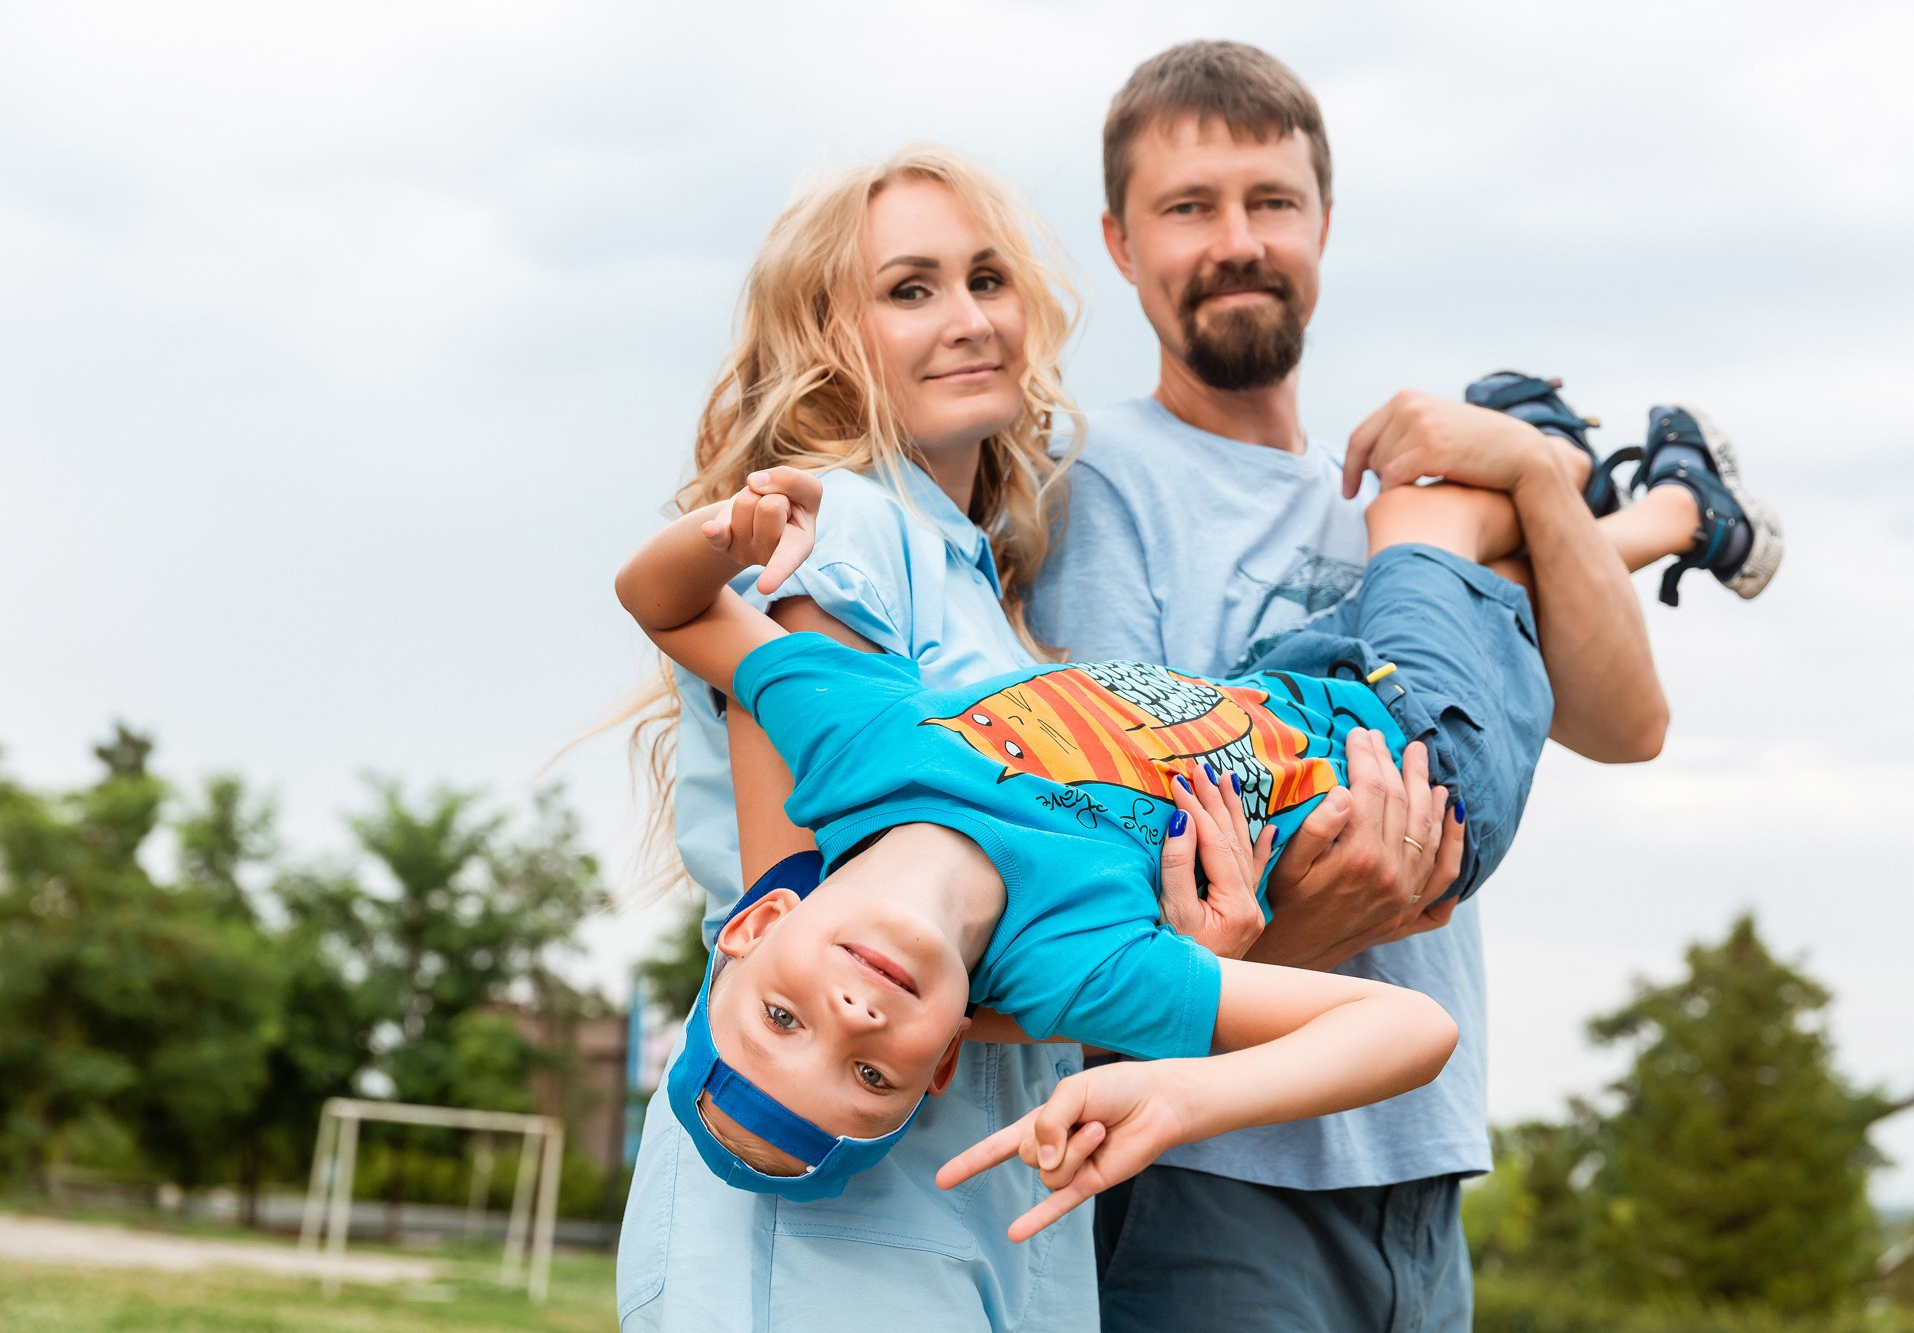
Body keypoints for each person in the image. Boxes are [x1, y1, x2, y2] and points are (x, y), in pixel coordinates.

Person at [1028, 41, 1784, 1333]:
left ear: (1323, 221)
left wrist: (1535, 479)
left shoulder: (1400, 496)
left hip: (1418, 1152)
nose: (1236, 240)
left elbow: (1623, 722)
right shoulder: (1102, 489)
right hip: (1214, 1162)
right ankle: (1667, 506)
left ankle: (1634, 494)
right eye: (1188, 207)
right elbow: (1126, 840)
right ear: (1117, 239)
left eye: (1270, 201)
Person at [615, 452, 1580, 1238]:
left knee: (1508, 574)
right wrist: (1184, 1095)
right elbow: (1414, 1029)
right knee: (1430, 500)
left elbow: (666, 606)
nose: (853, 1016)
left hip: (1286, 684)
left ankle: (1612, 512)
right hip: (1413, 765)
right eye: (872, 1075)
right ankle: (1572, 459)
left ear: (759, 921)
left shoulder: (854, 751)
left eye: (783, 1018)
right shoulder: (1074, 965)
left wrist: (727, 533)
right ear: (941, 1064)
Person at [615, 147, 1106, 1333]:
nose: (968, 319)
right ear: (827, 337)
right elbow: (819, 925)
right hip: (825, 1224)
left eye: (985, 278)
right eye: (909, 289)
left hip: (978, 1205)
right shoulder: (842, 537)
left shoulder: (977, 583)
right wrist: (1142, 965)